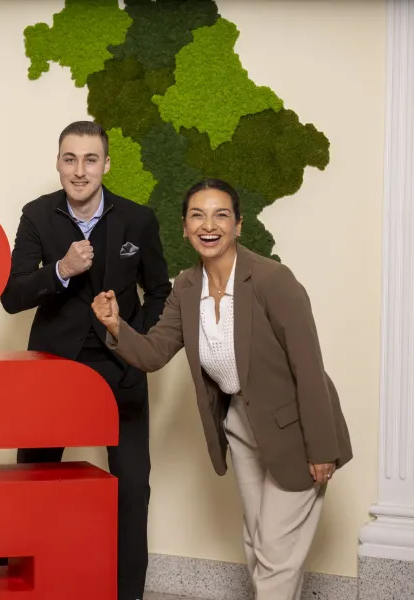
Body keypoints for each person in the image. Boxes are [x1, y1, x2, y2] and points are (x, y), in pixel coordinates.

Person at [92, 178, 353, 600]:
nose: (208, 225)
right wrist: (115, 326)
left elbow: (308, 367)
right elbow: (155, 353)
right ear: (184, 227)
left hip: (296, 429)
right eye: (197, 215)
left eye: (221, 215)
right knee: (258, 542)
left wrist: (322, 447)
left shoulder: (272, 279)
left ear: (238, 225)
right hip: (241, 426)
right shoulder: (186, 288)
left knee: (275, 553)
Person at [0, 120, 172, 600]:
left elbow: (160, 291)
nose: (80, 170)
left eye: (90, 159)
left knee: (132, 486)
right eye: (70, 159)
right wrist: (60, 270)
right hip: (53, 369)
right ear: (58, 164)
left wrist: (134, 337)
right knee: (33, 477)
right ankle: (18, 585)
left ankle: (127, 593)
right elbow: (11, 296)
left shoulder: (139, 219)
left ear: (106, 165)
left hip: (122, 366)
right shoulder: (36, 215)